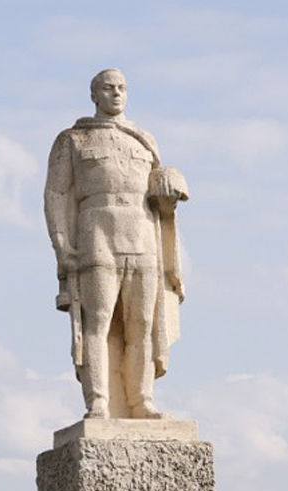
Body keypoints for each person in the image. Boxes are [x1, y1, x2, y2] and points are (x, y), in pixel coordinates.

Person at [44, 68, 188, 420]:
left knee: (141, 321)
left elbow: (159, 201)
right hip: (97, 232)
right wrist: (62, 245)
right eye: (108, 88)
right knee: (99, 321)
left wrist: (170, 191)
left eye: (122, 88)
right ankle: (99, 401)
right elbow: (56, 194)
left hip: (142, 232)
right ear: (94, 94)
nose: (116, 93)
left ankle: (141, 400)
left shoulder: (144, 141)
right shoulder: (74, 139)